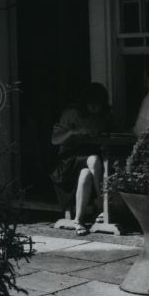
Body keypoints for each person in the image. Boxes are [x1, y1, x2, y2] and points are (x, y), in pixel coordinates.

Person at [51, 83, 113, 235]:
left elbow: (111, 132)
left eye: (98, 106)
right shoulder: (71, 113)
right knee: (94, 160)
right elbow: (55, 139)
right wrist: (73, 131)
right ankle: (102, 204)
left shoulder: (103, 116)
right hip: (68, 161)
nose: (95, 109)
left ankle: (78, 221)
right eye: (91, 105)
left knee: (86, 173)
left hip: (90, 162)